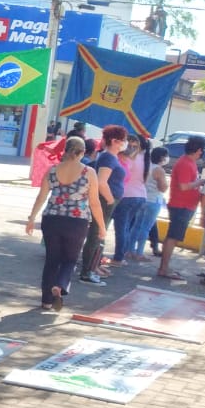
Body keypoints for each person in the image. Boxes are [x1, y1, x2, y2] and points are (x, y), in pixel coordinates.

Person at [25, 136, 106, 310]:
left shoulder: (52, 170)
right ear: (82, 152)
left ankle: (46, 301)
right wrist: (102, 226)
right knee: (70, 260)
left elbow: (42, 196)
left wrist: (31, 218)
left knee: (51, 260)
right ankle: (60, 285)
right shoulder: (88, 172)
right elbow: (95, 203)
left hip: (51, 219)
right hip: (77, 222)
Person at [79, 125, 127, 284]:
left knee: (98, 234)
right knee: (97, 234)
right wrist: (111, 199)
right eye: (122, 140)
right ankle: (87, 272)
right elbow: (101, 182)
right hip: (105, 201)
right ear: (114, 141)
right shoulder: (108, 157)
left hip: (106, 200)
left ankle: (91, 269)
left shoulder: (109, 157)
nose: (124, 144)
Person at [157, 136, 205, 281]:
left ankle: (164, 267)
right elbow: (183, 186)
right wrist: (200, 182)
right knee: (173, 238)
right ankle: (164, 269)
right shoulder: (185, 163)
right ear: (198, 150)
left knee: (173, 237)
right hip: (181, 206)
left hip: (184, 206)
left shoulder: (189, 162)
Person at [112, 134, 149, 265]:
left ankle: (118, 257)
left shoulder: (128, 158)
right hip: (141, 196)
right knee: (127, 227)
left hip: (126, 195)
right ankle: (123, 254)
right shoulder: (144, 158)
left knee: (121, 228)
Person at [133, 146, 169, 261]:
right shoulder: (159, 170)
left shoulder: (146, 165)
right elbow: (163, 188)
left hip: (142, 197)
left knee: (136, 226)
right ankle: (139, 253)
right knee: (145, 228)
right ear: (162, 157)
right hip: (154, 200)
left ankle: (130, 250)